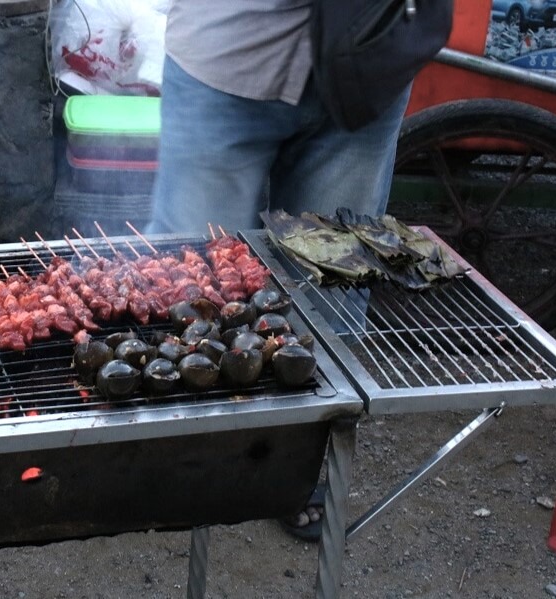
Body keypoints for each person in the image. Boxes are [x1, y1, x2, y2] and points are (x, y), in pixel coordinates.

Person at [145, 0, 413, 541]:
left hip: (367, 70)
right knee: (186, 282)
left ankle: (287, 471)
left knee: (331, 292)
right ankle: (177, 457)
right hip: (229, 54)